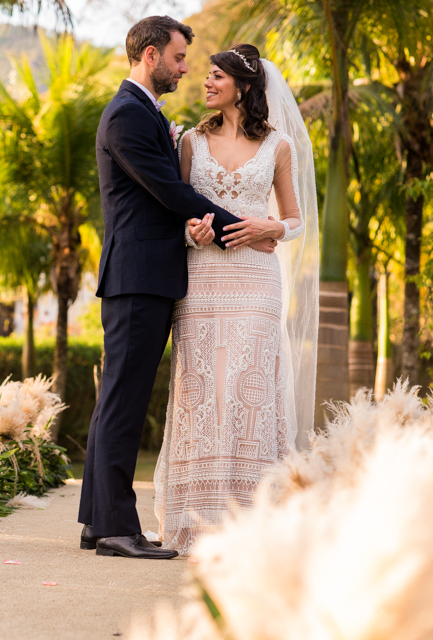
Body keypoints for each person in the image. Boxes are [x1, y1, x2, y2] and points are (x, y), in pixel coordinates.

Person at [77, 17, 278, 560]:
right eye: (179, 57)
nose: (186, 68)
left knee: (115, 399)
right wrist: (241, 227)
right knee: (124, 401)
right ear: (149, 55)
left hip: (145, 275)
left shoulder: (144, 113)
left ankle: (97, 521)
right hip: (139, 277)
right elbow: (169, 191)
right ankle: (119, 528)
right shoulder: (127, 115)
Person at [153, 44, 320, 555]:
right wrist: (193, 231)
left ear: (243, 87)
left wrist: (271, 226)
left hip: (255, 283)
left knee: (249, 391)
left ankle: (253, 522)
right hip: (201, 279)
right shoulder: (192, 142)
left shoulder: (279, 146)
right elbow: (177, 211)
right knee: (201, 389)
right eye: (205, 74)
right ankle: (193, 521)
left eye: (216, 75)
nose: (205, 82)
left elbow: (295, 219)